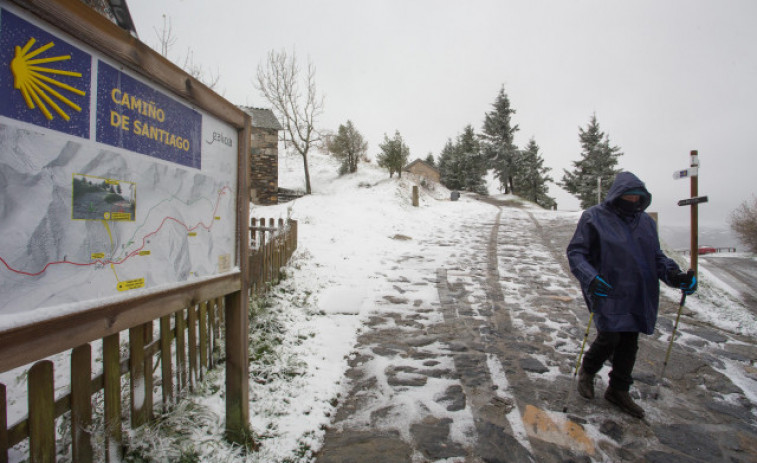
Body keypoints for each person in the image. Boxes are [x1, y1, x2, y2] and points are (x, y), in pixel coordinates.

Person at [566, 171, 697, 418]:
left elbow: (656, 256)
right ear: (617, 194)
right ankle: (588, 370)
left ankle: (618, 389)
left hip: (639, 291)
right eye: (628, 196)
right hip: (607, 288)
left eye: (638, 197)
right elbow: (576, 253)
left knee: (629, 341)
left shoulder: (646, 222)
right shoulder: (594, 217)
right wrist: (590, 277)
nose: (633, 201)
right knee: (610, 337)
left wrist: (676, 276)